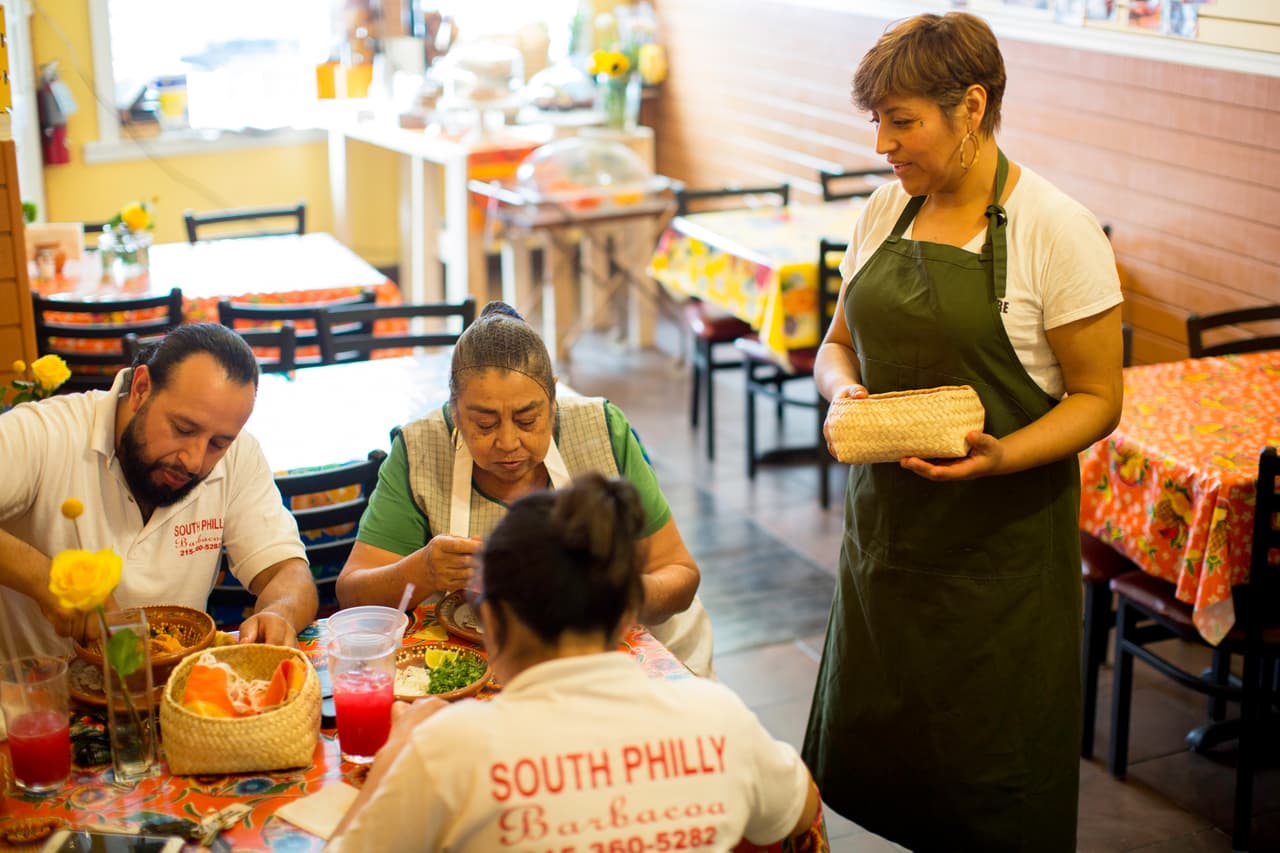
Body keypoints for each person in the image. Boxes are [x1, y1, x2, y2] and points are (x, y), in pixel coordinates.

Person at [801, 12, 1124, 852]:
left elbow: (1098, 397)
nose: (882, 144)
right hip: (887, 546)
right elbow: (833, 347)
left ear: (971, 107)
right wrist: (842, 395)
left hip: (999, 570)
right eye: (877, 121)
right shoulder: (884, 213)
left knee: (991, 792)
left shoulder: (1057, 231)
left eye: (901, 121)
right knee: (894, 769)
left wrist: (1003, 456)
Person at [326, 473, 819, 852]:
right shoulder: (719, 717)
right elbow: (801, 813)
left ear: (492, 621)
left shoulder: (450, 749)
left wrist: (394, 760)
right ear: (629, 610)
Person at [336, 302, 715, 677]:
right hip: (472, 666)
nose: (507, 441)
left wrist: (613, 595)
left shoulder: (601, 430)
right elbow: (352, 594)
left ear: (552, 398)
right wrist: (422, 570)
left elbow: (679, 572)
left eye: (527, 419)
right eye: (484, 424)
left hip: (607, 664)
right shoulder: (421, 449)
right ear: (453, 407)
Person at [0, 323, 318, 658]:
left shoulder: (239, 455)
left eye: (218, 443)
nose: (194, 461)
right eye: (182, 428)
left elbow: (288, 571)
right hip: (39, 700)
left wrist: (279, 613)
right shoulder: (46, 432)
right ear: (140, 389)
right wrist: (43, 580)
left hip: (175, 699)